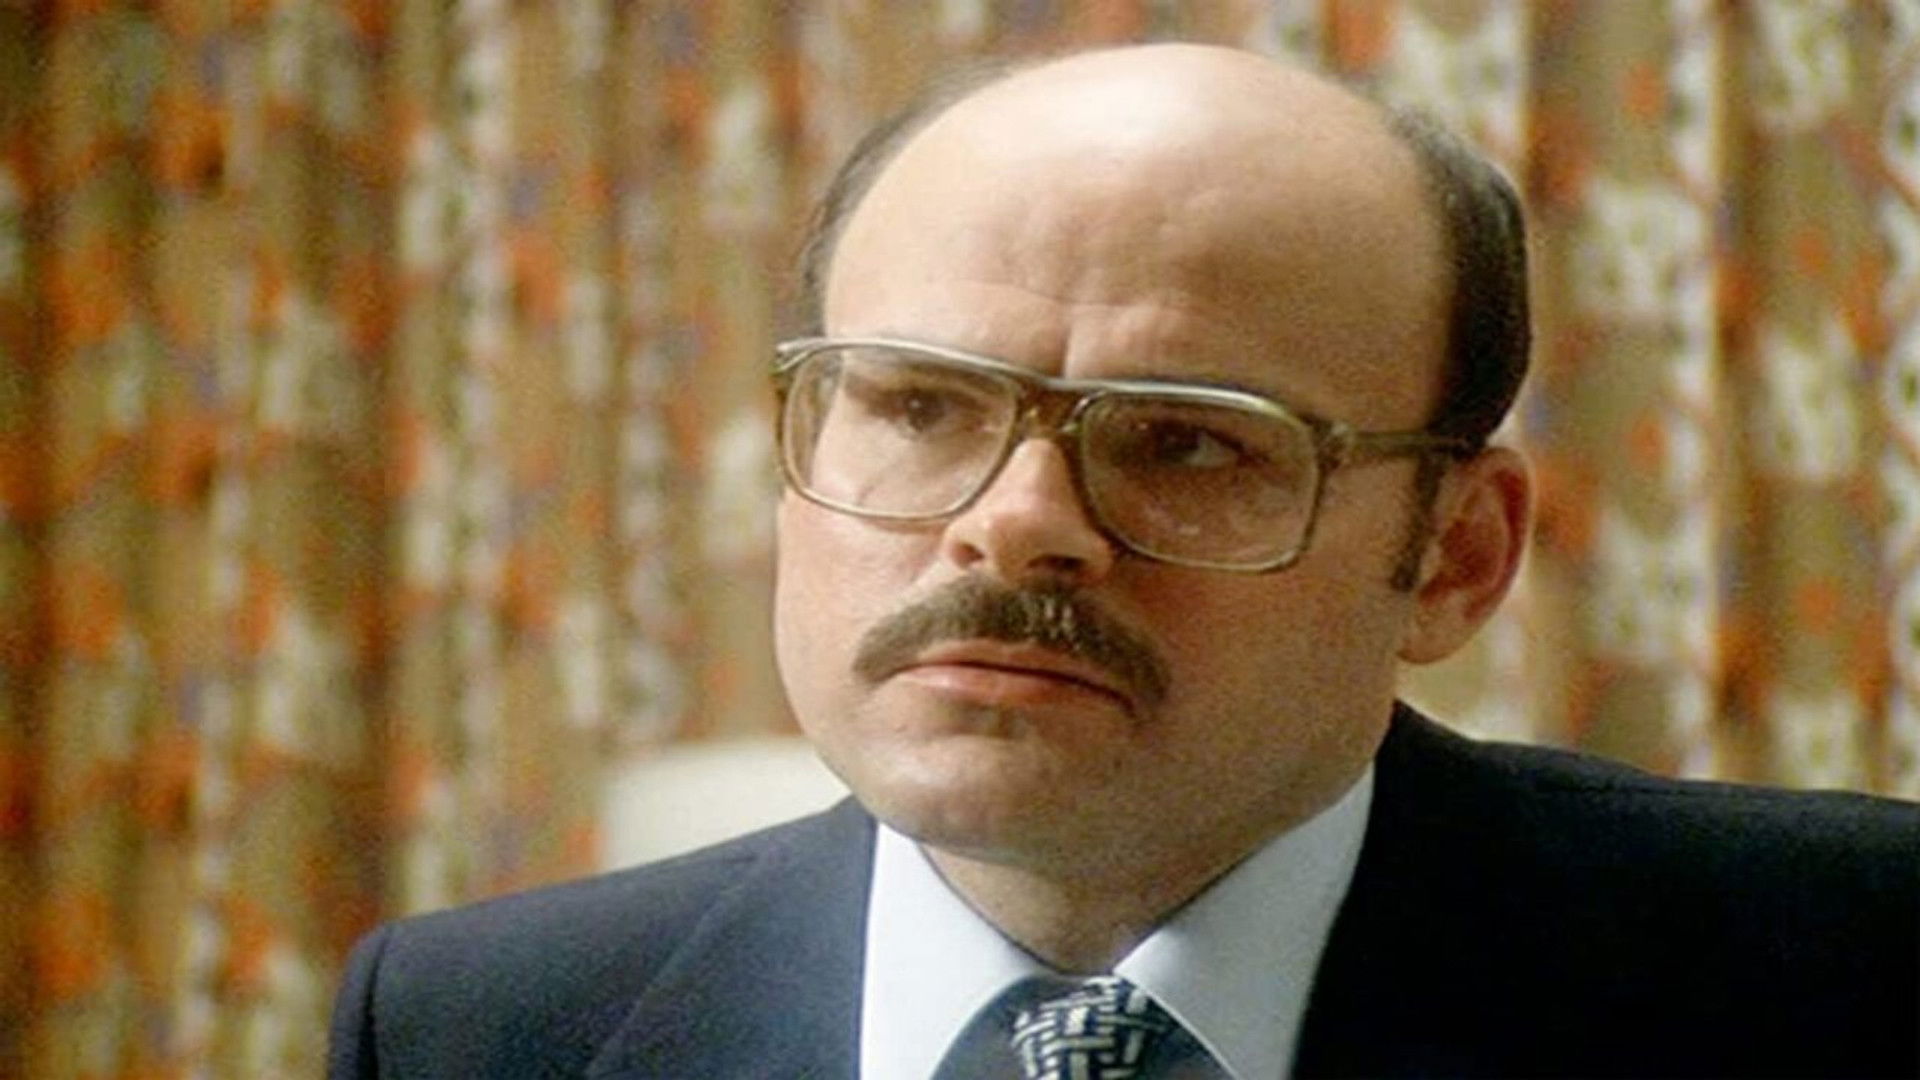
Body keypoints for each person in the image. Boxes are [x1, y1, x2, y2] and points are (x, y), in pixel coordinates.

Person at [328, 43, 1919, 1079]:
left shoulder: (1838, 968)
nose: (1016, 520)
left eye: (1189, 442)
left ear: (1454, 557)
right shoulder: (484, 1030)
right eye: (920, 407)